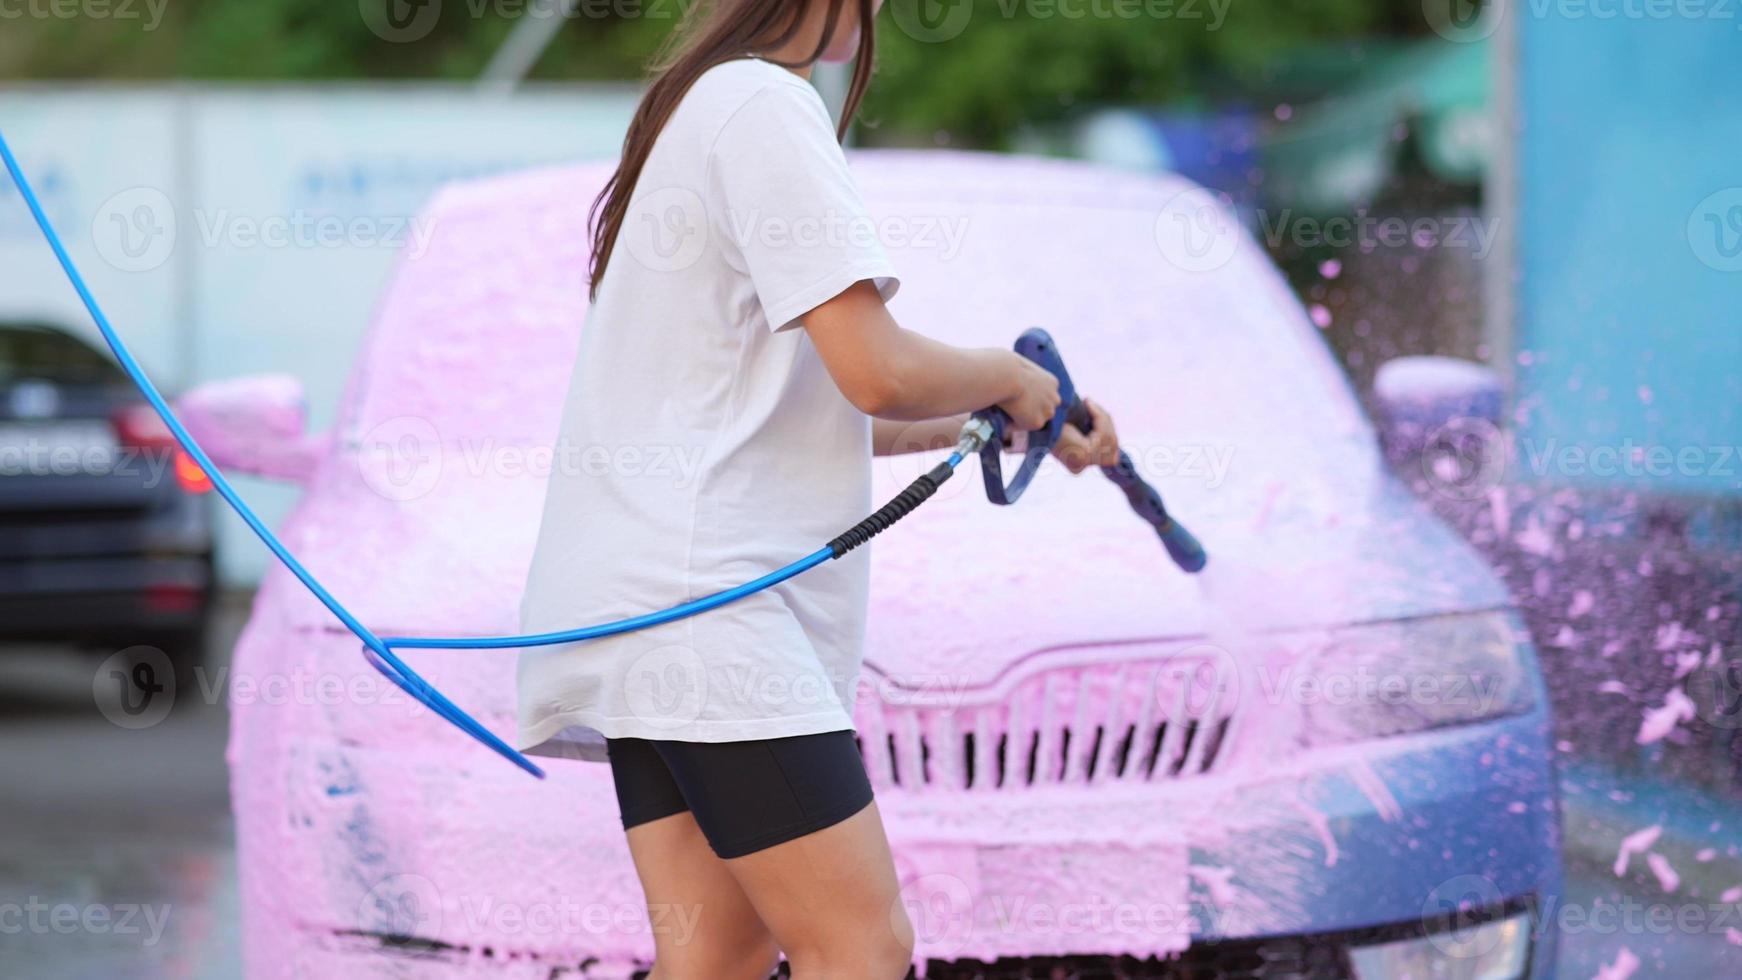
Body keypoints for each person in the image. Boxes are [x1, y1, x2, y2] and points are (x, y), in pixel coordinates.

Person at [516, 0, 1121, 976]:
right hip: (711, 613)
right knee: (861, 947)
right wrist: (1006, 375)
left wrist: (1014, 418)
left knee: (717, 953)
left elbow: (826, 406)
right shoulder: (762, 104)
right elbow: (874, 367)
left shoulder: (700, 104)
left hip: (648, 607)